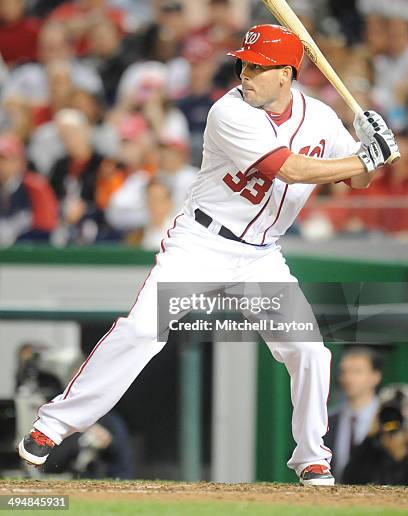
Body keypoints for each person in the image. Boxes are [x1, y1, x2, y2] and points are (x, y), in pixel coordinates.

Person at [18, 24, 400, 485]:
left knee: (311, 351)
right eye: (243, 63)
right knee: (142, 332)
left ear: (286, 73)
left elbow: (357, 181)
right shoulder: (228, 112)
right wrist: (368, 157)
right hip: (201, 244)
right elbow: (293, 171)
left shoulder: (319, 118)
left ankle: (312, 458)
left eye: (258, 67)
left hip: (260, 255)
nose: (246, 73)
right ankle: (53, 425)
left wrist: (371, 149)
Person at [324, 347, 383, 481]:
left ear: (375, 376)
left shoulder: (387, 418)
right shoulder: (328, 421)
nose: (348, 378)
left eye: (357, 372)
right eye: (344, 372)